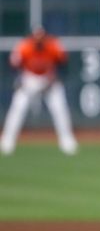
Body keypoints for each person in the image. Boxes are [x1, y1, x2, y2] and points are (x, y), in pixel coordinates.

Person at [1, 27, 78, 155]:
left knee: (60, 109)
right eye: (37, 39)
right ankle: (7, 142)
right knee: (18, 108)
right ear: (32, 38)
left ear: (45, 38)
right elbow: (13, 65)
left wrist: (56, 77)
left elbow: (64, 63)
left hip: (49, 78)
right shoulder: (24, 46)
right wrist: (18, 80)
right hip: (29, 78)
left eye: (41, 39)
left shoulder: (53, 44)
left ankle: (67, 141)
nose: (39, 42)